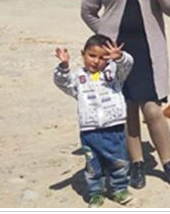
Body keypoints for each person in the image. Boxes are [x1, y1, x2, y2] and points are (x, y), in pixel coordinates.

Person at [81, 0, 170, 189]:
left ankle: (168, 162)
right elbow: (88, 11)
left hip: (148, 52)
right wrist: (104, 36)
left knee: (152, 109)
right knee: (127, 109)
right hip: (115, 56)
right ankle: (137, 163)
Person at [53, 35, 134, 208]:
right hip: (89, 131)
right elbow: (61, 81)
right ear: (83, 54)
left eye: (102, 57)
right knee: (93, 165)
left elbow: (127, 65)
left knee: (118, 161)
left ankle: (119, 188)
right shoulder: (78, 78)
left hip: (114, 127)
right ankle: (96, 193)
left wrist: (119, 57)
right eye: (92, 55)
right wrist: (64, 66)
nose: (96, 61)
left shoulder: (114, 74)